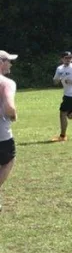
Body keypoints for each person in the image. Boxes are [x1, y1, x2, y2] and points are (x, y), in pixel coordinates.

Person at [0, 51, 18, 213]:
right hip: (2, 135)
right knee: (8, 161)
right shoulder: (6, 83)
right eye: (8, 61)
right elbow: (9, 108)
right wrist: (13, 115)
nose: (11, 64)